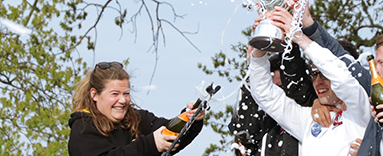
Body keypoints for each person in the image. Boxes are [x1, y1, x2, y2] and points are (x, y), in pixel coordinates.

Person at [248, 13, 371, 155]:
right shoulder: (310, 119)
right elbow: (265, 95)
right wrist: (260, 47)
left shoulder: (363, 110)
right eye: (314, 74)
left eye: (325, 74)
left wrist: (300, 37)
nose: (318, 81)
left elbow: (343, 79)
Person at [67, 61, 204, 155]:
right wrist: (151, 144)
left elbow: (170, 134)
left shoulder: (137, 119)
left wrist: (190, 118)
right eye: (115, 94)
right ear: (94, 95)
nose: (122, 100)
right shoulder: (83, 129)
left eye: (126, 93)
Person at [229, 49, 315, 156]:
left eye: (283, 88)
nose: (278, 94)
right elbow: (244, 132)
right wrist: (252, 82)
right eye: (274, 88)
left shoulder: (310, 115)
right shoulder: (262, 122)